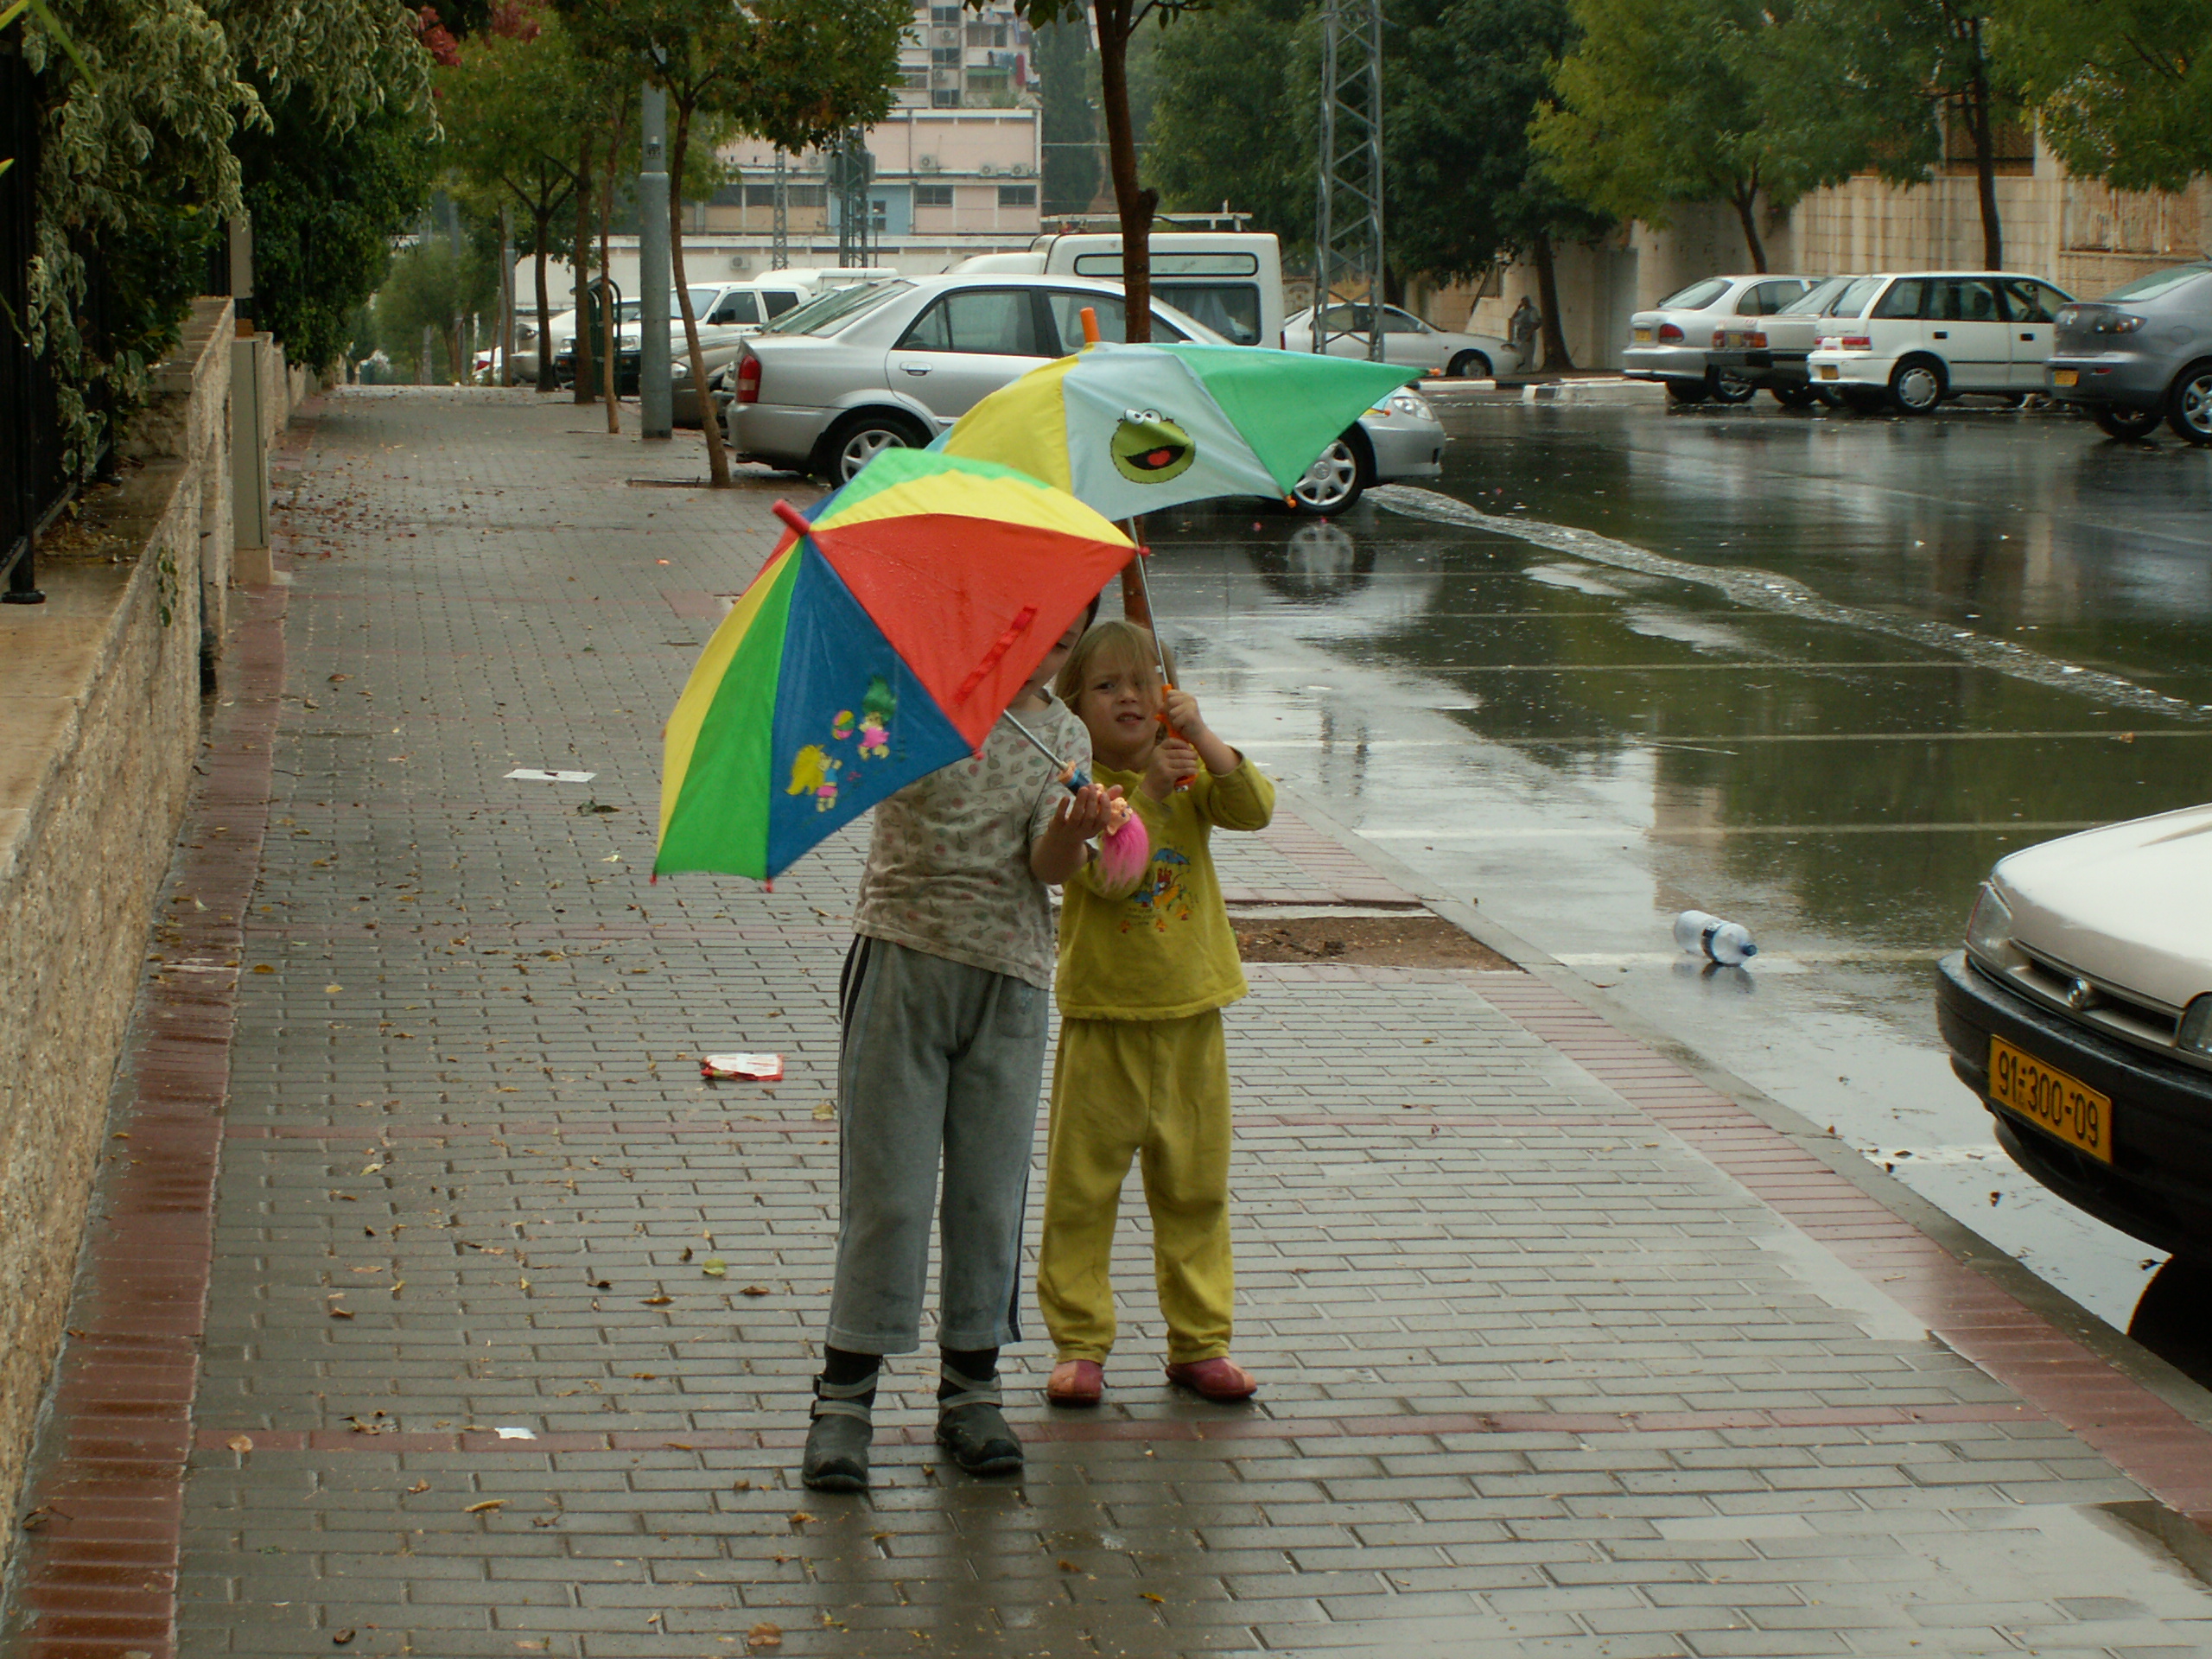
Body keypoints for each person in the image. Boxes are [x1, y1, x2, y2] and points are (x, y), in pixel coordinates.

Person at [802, 605, 1116, 1495]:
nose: (1050, 645)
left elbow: (1047, 867)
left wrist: (1075, 827)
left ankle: (971, 1391)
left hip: (1009, 982)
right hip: (902, 962)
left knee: (988, 1197)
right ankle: (844, 1402)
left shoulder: (1064, 734)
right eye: (1037, 625)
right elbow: (847, 772)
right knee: (890, 1197)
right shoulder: (910, 698)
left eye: (1068, 635)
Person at [1036, 620, 1275, 1408]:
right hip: (1103, 1019)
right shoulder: (1078, 786)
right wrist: (1148, 796)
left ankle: (1201, 1341)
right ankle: (1080, 1343)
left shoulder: (1186, 762)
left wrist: (1202, 738)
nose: (1129, 698)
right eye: (1106, 686)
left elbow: (1254, 808)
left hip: (1191, 1015)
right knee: (1082, 1192)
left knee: (1195, 1189)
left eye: (1144, 682)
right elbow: (1111, 880)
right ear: (1077, 702)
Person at [1509, 295, 1541, 368]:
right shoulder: (1522, 311)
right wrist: (1518, 308)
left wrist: (1529, 335)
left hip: (1527, 334)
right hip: (1520, 334)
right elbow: (1513, 318)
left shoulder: (1532, 311)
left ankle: (1527, 368)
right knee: (1519, 352)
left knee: (1527, 353)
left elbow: (1534, 324)